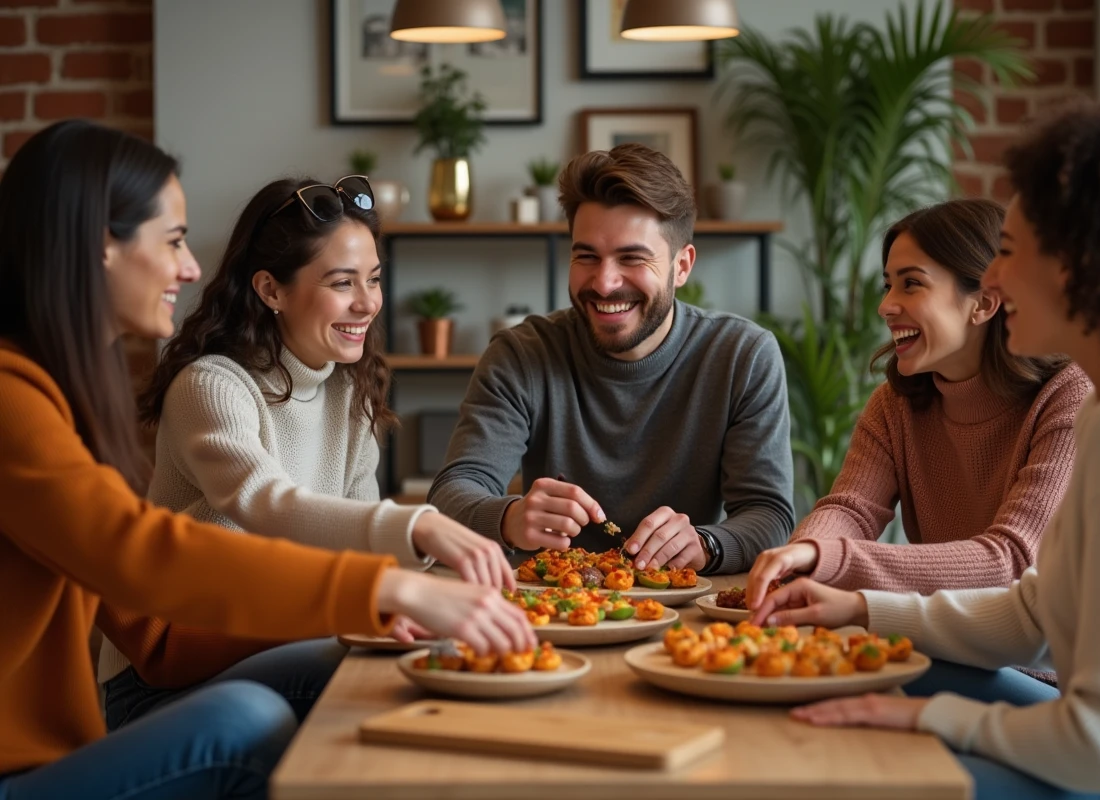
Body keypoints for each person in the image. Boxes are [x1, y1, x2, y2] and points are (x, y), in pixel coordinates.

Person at [0, 120, 534, 800]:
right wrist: (383, 586)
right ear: (98, 246)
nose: (191, 266)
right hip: (27, 772)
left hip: (87, 735)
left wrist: (381, 608)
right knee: (245, 719)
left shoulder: (63, 401)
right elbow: (145, 552)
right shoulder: (16, 401)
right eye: (173, 241)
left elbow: (142, 616)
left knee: (383, 665)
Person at [753, 96, 1100, 800]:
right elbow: (1036, 614)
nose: (994, 280)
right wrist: (861, 608)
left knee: (856, 780)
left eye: (1011, 255)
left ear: (1077, 265)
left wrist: (930, 716)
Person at [97, 175, 514, 730]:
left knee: (429, 658)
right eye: (342, 283)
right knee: (369, 679)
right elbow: (266, 503)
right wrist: (418, 529)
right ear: (271, 290)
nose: (367, 303)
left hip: (272, 640)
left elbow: (361, 549)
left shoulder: (349, 388)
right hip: (165, 675)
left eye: (373, 279)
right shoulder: (213, 384)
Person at [427, 143, 795, 575]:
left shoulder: (743, 356)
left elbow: (769, 515)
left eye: (631, 258)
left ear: (682, 266)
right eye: (586, 257)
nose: (604, 283)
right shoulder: (521, 355)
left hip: (685, 615)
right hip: (549, 614)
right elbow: (451, 495)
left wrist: (707, 543)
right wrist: (507, 519)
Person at [746, 199, 1089, 609]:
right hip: (934, 642)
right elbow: (851, 510)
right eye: (888, 284)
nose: (886, 305)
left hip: (1038, 669)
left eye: (911, 283)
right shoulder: (896, 403)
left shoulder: (1068, 397)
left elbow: (1012, 562)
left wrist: (830, 558)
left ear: (983, 302)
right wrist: (802, 554)